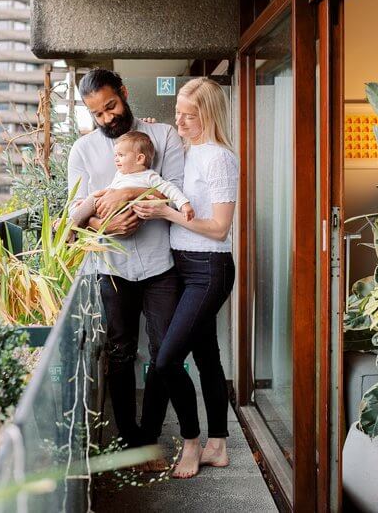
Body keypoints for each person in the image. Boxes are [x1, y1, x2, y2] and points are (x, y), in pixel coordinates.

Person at [68, 68, 186, 460]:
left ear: (123, 92)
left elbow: (178, 193)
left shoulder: (164, 136)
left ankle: (150, 436)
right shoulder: (82, 151)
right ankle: (129, 439)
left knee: (163, 352)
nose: (106, 119)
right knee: (118, 352)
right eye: (97, 114)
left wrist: (136, 192)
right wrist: (106, 223)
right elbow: (75, 213)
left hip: (160, 265)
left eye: (111, 106)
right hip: (110, 269)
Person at [132, 77, 239, 479]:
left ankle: (192, 442)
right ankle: (219, 446)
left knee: (167, 359)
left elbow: (220, 228)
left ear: (207, 115)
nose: (179, 122)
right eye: (176, 112)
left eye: (188, 116)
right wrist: (152, 130)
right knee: (208, 356)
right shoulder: (187, 150)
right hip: (183, 266)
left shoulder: (220, 159)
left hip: (209, 270)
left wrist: (168, 214)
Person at [70, 130, 194, 227]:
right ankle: (74, 222)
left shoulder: (149, 176)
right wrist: (89, 203)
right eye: (116, 155)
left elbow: (170, 189)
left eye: (121, 155)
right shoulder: (120, 175)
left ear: (139, 159)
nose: (116, 159)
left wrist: (184, 204)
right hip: (110, 216)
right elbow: (110, 191)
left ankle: (72, 223)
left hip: (129, 219)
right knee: (95, 196)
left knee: (94, 198)